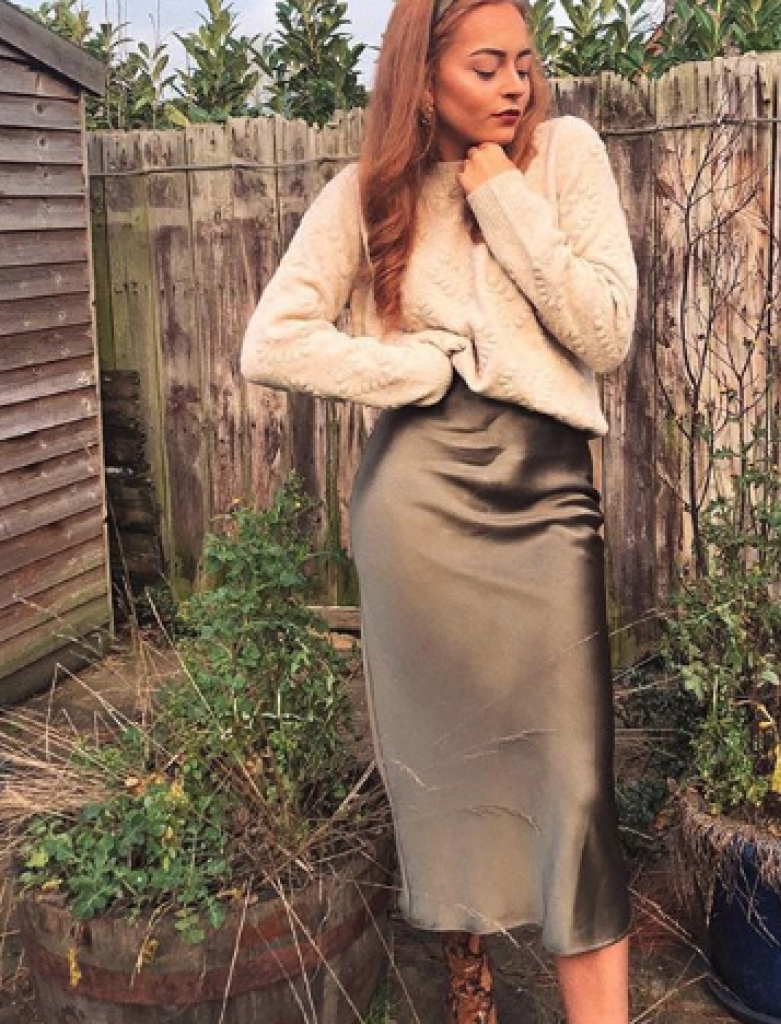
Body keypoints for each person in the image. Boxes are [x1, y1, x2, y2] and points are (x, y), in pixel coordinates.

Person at [239, 1, 638, 1021]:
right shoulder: (365, 192)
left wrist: (500, 191)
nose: (514, 84)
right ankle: (471, 990)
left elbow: (603, 332)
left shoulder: (565, 157)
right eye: (486, 65)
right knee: (446, 772)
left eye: (524, 62)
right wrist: (410, 371)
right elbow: (270, 341)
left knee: (577, 790)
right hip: (417, 503)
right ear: (424, 77)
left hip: (546, 495)